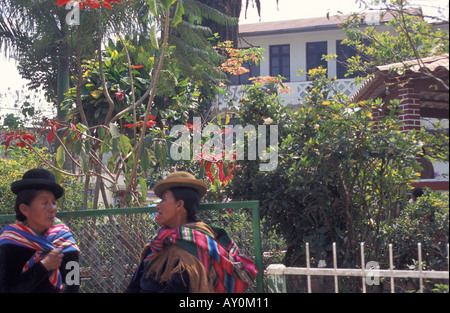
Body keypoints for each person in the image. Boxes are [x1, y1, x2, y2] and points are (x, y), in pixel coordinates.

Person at [125, 171, 257, 293]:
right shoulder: (158, 244)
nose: (158, 206)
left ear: (179, 204)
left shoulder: (195, 251)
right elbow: (133, 286)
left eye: (164, 199)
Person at [0, 169, 80, 293]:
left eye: (53, 203)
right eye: (45, 202)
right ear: (25, 209)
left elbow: (73, 284)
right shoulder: (9, 242)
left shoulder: (65, 241)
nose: (52, 209)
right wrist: (43, 266)